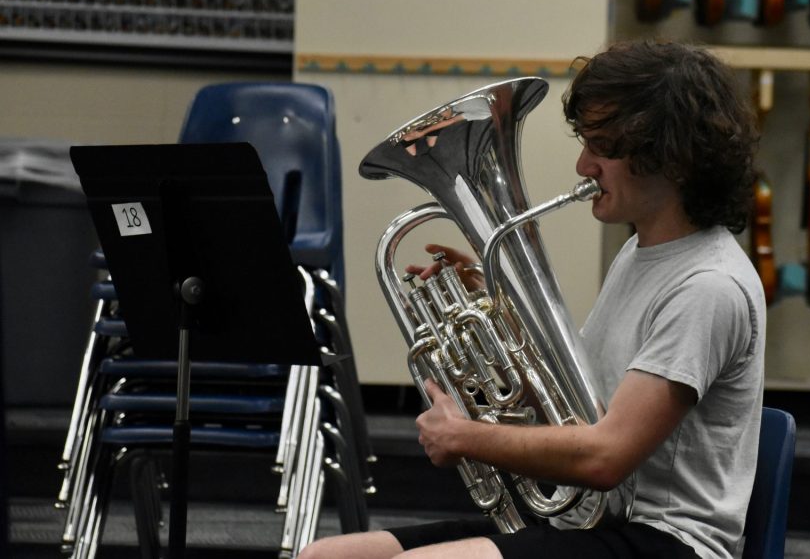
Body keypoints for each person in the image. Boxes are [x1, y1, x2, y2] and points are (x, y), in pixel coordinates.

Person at [299, 40, 765, 559]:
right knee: (326, 557)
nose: (583, 165)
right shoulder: (640, 253)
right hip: (594, 524)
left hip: (667, 542)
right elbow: (581, 411)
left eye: (602, 146)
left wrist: (465, 436)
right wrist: (498, 319)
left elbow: (604, 456)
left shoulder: (708, 285)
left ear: (671, 157)